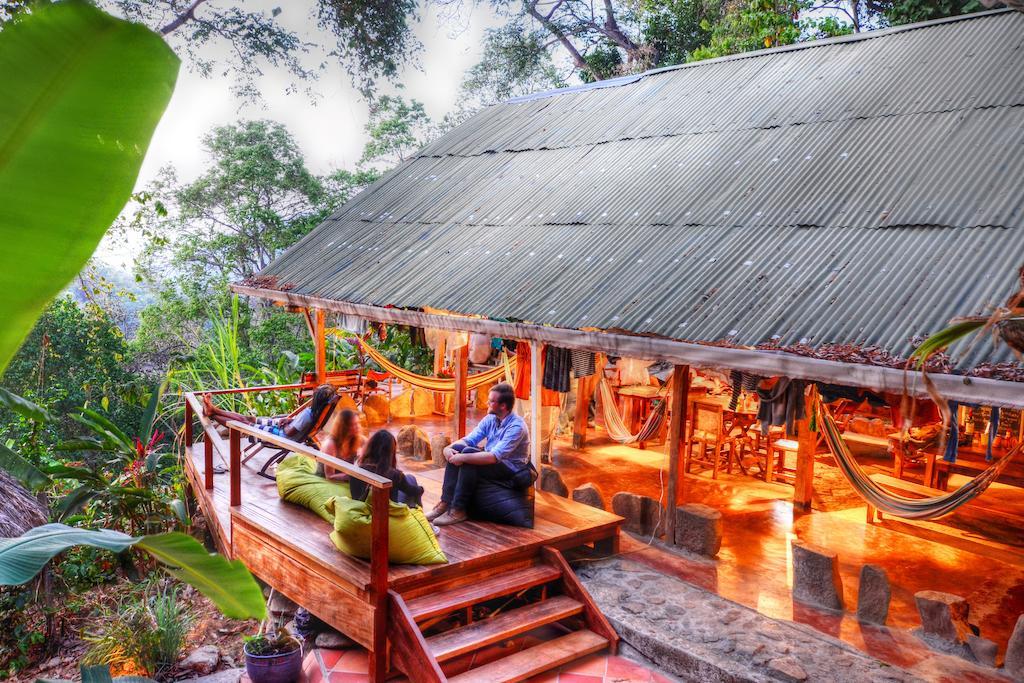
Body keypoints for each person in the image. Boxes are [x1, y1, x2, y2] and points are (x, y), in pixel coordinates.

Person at [427, 382, 530, 526]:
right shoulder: (491, 419)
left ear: (503, 406)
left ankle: (458, 510)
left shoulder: (516, 427)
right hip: (493, 462)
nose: (487, 402)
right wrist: (449, 449)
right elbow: (469, 440)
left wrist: (462, 457)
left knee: (468, 456)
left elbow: (493, 457)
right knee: (459, 448)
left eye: (492, 401)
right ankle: (445, 503)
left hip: (511, 470)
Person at [202, 384, 337, 441]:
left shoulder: (308, 415)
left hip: (280, 434)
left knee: (244, 424)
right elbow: (297, 424)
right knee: (249, 418)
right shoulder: (313, 412)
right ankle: (213, 410)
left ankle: (212, 413)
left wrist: (285, 424)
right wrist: (289, 420)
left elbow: (290, 432)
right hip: (283, 427)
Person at [349, 430, 424, 507]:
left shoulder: (357, 470)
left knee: (409, 478)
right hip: (387, 514)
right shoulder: (394, 475)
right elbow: (411, 491)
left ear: (370, 447)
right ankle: (418, 512)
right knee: (411, 479)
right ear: (390, 452)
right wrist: (421, 489)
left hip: (361, 510)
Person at [318, 408, 366, 481]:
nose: (358, 427)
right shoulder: (330, 444)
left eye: (358, 423)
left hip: (345, 478)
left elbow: (374, 446)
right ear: (343, 427)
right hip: (325, 480)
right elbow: (329, 476)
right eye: (353, 424)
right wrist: (354, 476)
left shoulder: (358, 439)